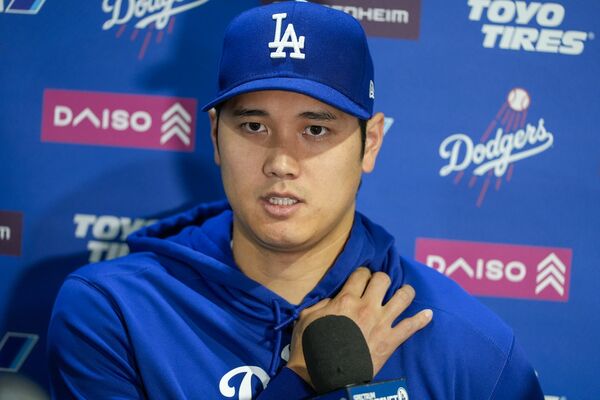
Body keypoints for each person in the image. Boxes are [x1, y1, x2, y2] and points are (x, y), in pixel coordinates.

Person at [47, 2, 545, 399]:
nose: (281, 162)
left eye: (315, 129)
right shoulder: (116, 312)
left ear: (370, 143)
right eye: (253, 126)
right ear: (216, 137)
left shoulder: (467, 345)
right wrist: (308, 377)